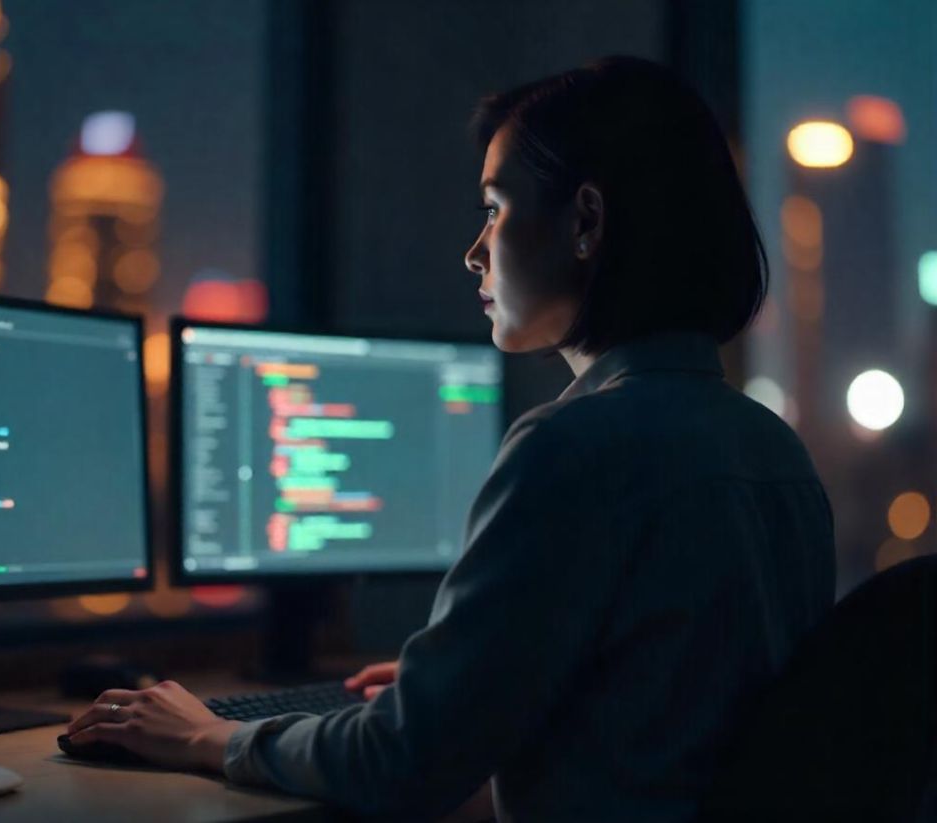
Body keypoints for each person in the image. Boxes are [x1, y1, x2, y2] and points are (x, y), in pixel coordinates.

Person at [66, 56, 836, 822]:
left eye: (495, 208)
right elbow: (671, 698)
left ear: (586, 222)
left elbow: (403, 765)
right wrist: (473, 677)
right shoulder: (778, 454)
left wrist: (211, 735)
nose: (476, 251)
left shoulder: (573, 449)